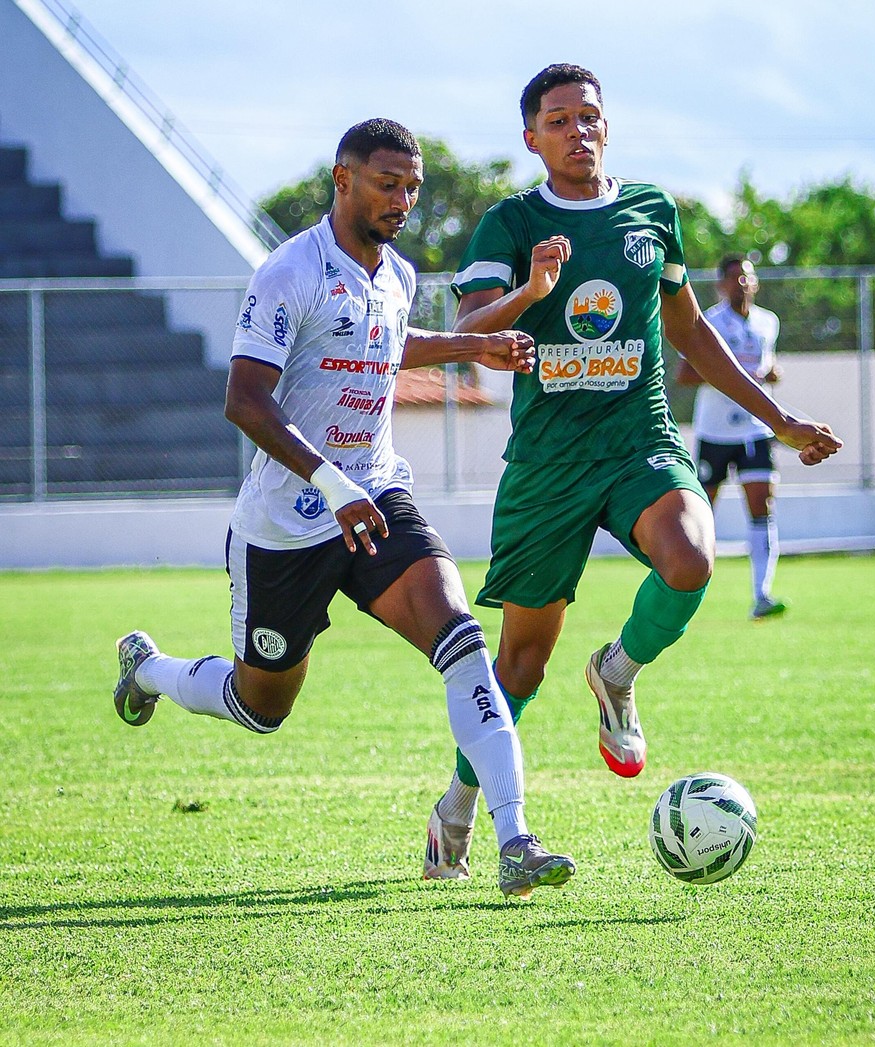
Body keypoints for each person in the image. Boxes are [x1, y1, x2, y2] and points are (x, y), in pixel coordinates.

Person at [111, 118, 575, 900]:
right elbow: (245, 399)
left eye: (413, 187)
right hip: (288, 523)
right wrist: (330, 482)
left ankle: (513, 836)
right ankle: (149, 669)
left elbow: (387, 343)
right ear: (343, 179)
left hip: (379, 496)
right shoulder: (289, 272)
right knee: (261, 706)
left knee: (460, 636)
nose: (404, 199)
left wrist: (471, 347)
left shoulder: (396, 274)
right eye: (388, 183)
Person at [422, 65, 842, 879]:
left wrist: (777, 419)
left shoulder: (653, 213)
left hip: (638, 437)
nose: (577, 130)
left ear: (607, 126)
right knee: (521, 666)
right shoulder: (508, 224)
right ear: (531, 138)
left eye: (589, 116)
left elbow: (690, 332)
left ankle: (617, 672)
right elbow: (468, 330)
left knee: (691, 558)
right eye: (558, 120)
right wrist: (535, 288)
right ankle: (458, 808)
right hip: (548, 460)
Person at [677, 254, 787, 619]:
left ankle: (762, 594)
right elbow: (685, 375)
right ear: (721, 285)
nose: (743, 283)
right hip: (716, 432)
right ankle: (684, 596)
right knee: (700, 514)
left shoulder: (768, 322)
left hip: (755, 430)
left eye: (748, 277)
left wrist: (769, 374)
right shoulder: (709, 322)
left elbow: (767, 366)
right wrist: (732, 376)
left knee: (763, 506)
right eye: (735, 278)